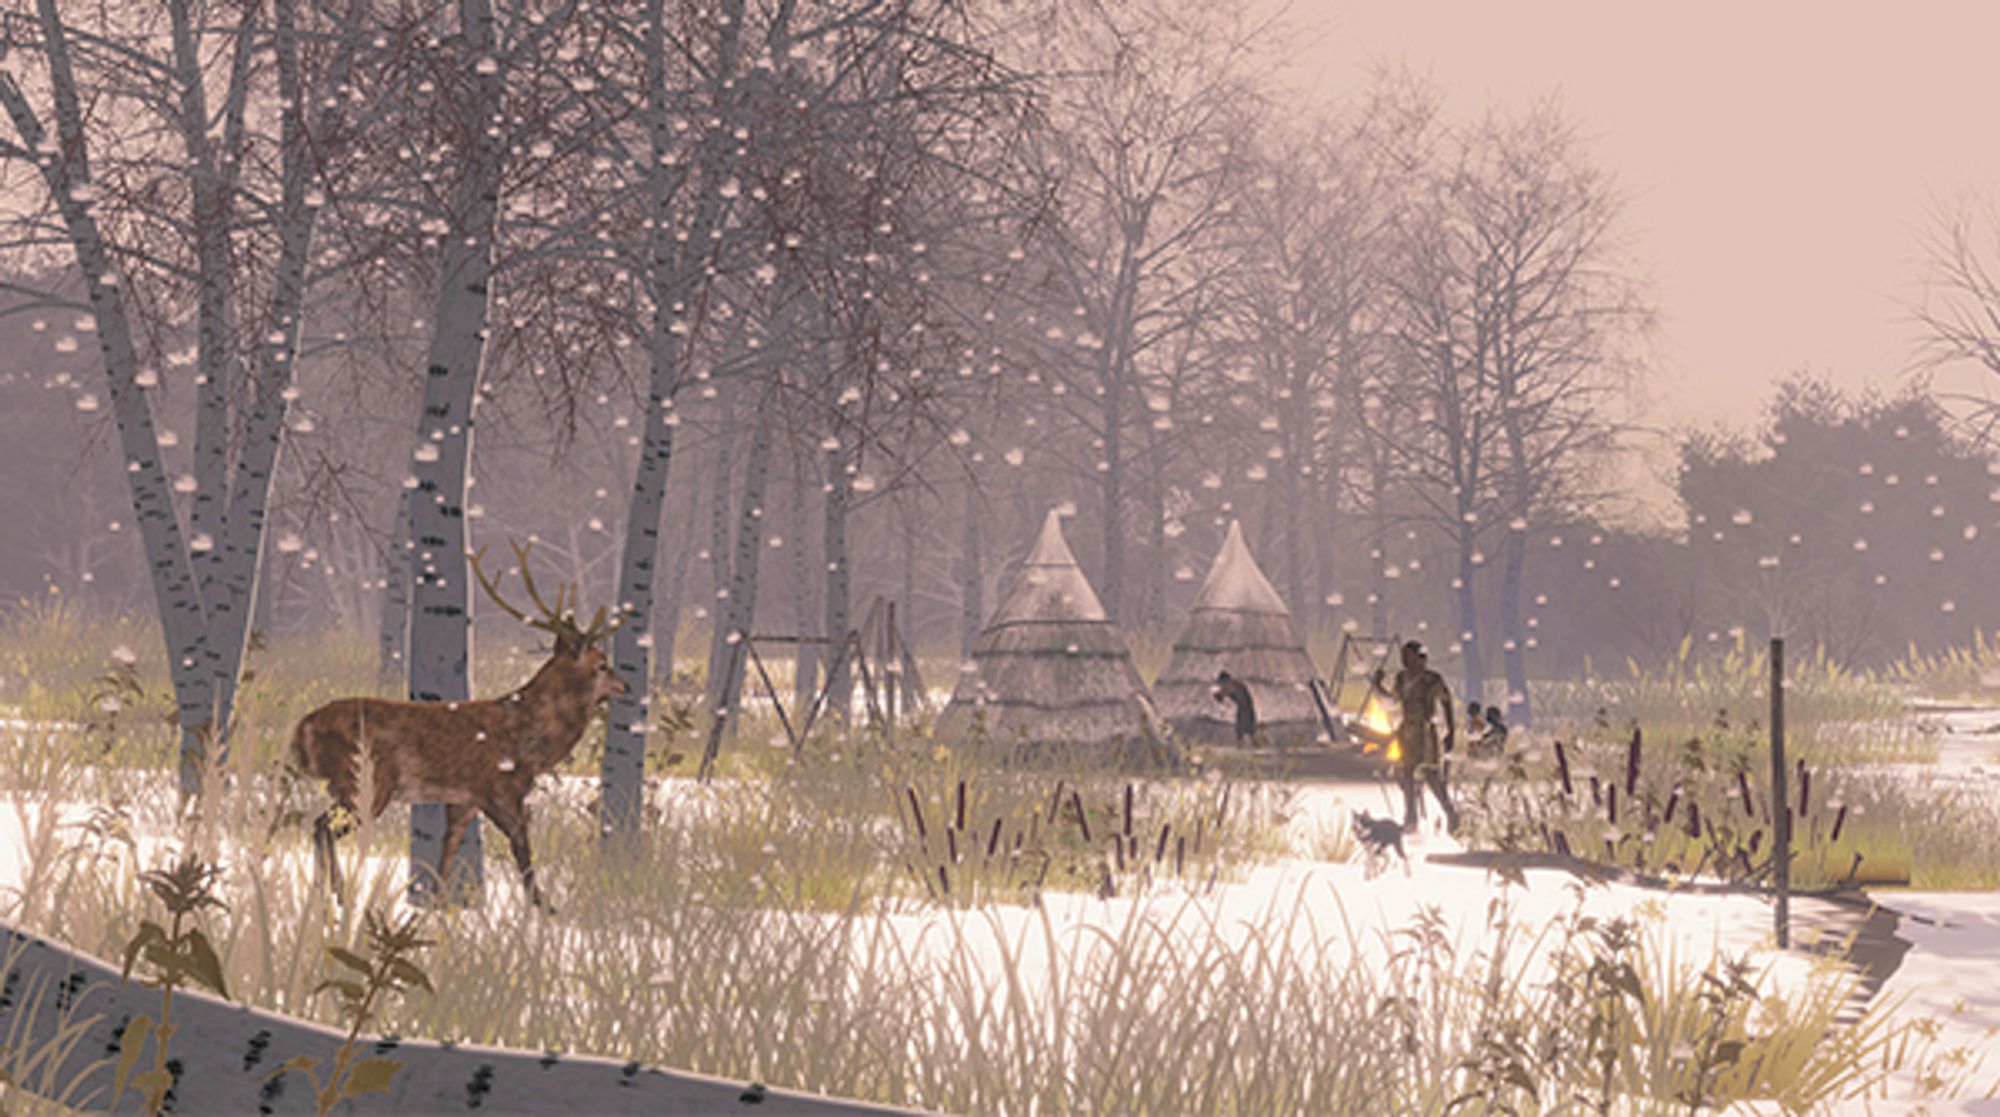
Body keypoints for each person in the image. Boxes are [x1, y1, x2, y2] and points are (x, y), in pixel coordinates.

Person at [1370, 641, 1459, 834]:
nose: (1404, 660)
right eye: (1403, 656)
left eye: (1408, 655)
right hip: (1407, 732)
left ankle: (1450, 813)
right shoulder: (1401, 679)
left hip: (1425, 731)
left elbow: (1446, 701)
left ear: (1419, 658)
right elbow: (1394, 702)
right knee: (1407, 773)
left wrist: (1451, 730)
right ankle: (1411, 818)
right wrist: (1378, 685)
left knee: (1431, 775)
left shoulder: (1432, 680)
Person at [1213, 670, 1258, 746]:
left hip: (1246, 707)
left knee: (1247, 726)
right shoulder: (1233, 684)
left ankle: (1251, 744)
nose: (1222, 684)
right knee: (1242, 727)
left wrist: (1219, 694)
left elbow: (1225, 692)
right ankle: (1244, 744)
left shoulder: (1233, 684)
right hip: (1243, 707)